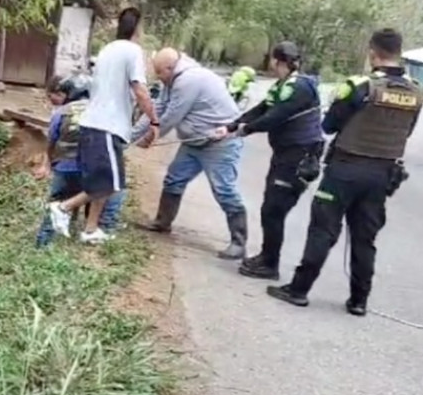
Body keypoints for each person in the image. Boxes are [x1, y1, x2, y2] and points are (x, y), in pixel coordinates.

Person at [267, 29, 421, 314]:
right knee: (365, 238)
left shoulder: (359, 85)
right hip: (383, 173)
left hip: (346, 169)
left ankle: (299, 290)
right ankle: (359, 300)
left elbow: (328, 126)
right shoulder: (415, 90)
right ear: (399, 52)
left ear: (373, 53)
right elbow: (407, 131)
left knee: (323, 231)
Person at [47, 7, 159, 244]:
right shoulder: (133, 51)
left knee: (104, 180)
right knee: (110, 182)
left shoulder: (108, 49)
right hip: (106, 126)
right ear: (137, 27)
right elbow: (139, 89)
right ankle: (64, 208)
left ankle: (90, 229)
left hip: (98, 124)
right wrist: (154, 120)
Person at [215, 41, 324, 280]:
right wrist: (232, 125)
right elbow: (263, 108)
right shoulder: (284, 86)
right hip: (286, 154)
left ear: (276, 61)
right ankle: (267, 256)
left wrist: (246, 130)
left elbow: (275, 117)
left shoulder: (300, 87)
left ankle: (270, 264)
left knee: (274, 209)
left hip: (299, 156)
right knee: (271, 208)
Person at [133, 48, 248, 259]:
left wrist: (148, 138)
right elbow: (158, 107)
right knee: (174, 179)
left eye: (159, 72)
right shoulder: (173, 79)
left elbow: (171, 117)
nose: (158, 77)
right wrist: (131, 135)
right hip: (194, 141)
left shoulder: (189, 80)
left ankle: (239, 241)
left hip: (219, 143)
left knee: (224, 189)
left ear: (170, 67)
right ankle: (162, 221)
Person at [35, 76, 128, 247]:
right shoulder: (102, 111)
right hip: (90, 169)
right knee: (101, 194)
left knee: (56, 202)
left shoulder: (62, 112)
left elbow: (51, 141)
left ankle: (43, 244)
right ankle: (90, 234)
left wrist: (48, 164)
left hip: (64, 169)